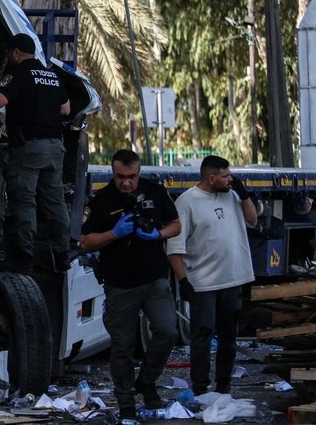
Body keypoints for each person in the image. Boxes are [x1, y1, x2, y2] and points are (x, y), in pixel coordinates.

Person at [79, 149, 180, 422]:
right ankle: (126, 403)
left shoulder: (155, 192)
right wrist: (114, 233)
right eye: (120, 177)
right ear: (113, 173)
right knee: (122, 347)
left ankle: (147, 380)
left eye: (132, 177)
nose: (126, 183)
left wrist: (157, 234)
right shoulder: (100, 201)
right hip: (120, 285)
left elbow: (176, 225)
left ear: (139, 172)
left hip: (153, 279)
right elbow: (85, 242)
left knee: (168, 331)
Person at [0, 32, 72, 272]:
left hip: (29, 149)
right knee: (55, 203)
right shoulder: (51, 75)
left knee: (24, 201)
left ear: (16, 52)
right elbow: (66, 108)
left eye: (10, 52)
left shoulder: (18, 73)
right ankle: (62, 255)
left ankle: (23, 257)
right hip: (55, 147)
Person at [168, 155, 257, 397]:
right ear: (211, 178)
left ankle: (224, 384)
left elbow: (252, 220)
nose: (231, 180)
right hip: (204, 283)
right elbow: (174, 247)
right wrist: (183, 280)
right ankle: (200, 388)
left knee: (229, 337)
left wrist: (245, 194)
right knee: (202, 338)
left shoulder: (233, 195)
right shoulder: (188, 202)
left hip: (233, 279)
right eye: (226, 176)